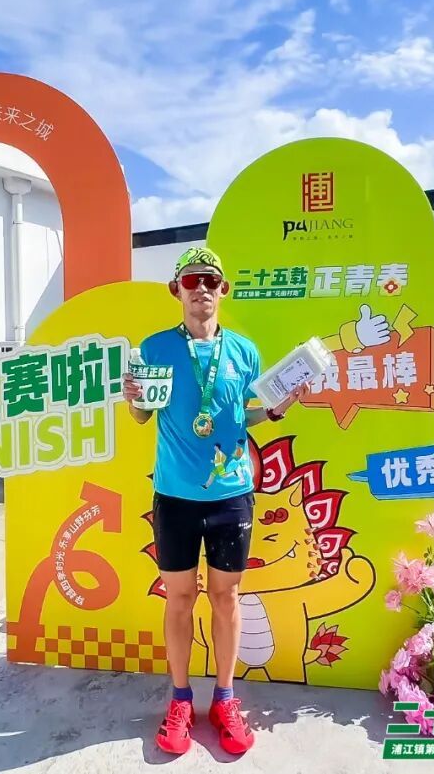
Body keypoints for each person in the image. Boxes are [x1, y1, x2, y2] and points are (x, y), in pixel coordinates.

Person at [123, 246, 307, 756]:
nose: (201, 288)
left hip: (231, 497)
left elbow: (240, 416)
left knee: (227, 598)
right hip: (175, 496)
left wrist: (273, 413)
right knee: (180, 599)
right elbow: (142, 416)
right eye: (191, 280)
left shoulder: (244, 352)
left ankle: (225, 698)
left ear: (223, 289)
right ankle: (181, 698)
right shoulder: (155, 349)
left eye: (210, 280)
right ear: (176, 290)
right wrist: (132, 398)